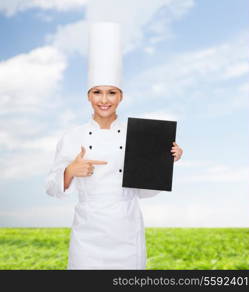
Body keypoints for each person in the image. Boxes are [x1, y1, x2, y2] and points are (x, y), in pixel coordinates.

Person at [45, 21, 183, 269]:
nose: (104, 100)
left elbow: (145, 190)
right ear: (88, 96)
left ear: (121, 96)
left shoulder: (140, 134)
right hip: (88, 234)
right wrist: (69, 172)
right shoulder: (72, 136)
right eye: (97, 92)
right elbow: (51, 188)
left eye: (111, 93)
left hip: (126, 231)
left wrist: (166, 159)